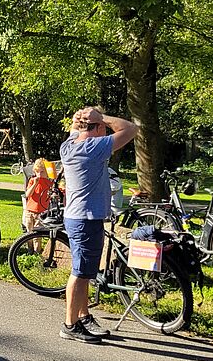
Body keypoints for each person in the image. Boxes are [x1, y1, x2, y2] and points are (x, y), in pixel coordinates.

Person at [58, 106, 137, 344]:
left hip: (78, 217)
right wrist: (101, 117)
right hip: (86, 219)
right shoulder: (93, 148)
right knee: (80, 273)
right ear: (99, 128)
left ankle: (83, 316)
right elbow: (131, 128)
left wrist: (81, 118)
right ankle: (70, 325)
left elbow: (76, 129)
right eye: (103, 127)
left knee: (84, 272)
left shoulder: (69, 146)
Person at [23, 159, 52, 234]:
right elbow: (27, 194)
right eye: (37, 172)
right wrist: (34, 184)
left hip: (41, 212)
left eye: (42, 172)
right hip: (29, 211)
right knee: (28, 233)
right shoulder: (32, 180)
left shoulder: (49, 183)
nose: (39, 174)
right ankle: (29, 245)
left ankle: (37, 246)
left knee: (37, 235)